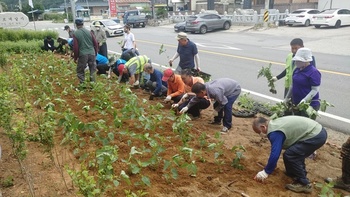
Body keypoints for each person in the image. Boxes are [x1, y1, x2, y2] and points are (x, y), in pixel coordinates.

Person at [252, 116, 327, 193]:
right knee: (292, 153)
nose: (260, 134)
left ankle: (304, 184)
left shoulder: (275, 132)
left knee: (292, 155)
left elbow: (275, 154)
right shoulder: (274, 124)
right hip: (317, 131)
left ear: (263, 127)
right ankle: (293, 173)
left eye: (259, 132)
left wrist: (266, 172)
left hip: (315, 135)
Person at [284, 48, 321, 119]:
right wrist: (287, 97)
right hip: (296, 104)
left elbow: (315, 90)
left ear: (306, 61)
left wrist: (305, 100)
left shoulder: (314, 72)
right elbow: (292, 85)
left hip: (309, 105)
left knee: (306, 126)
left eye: (299, 61)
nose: (296, 62)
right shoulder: (296, 70)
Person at [73, 18, 99, 85]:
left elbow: (76, 48)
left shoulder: (75, 33)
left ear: (76, 25)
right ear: (83, 24)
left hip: (83, 54)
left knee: (80, 70)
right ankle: (93, 85)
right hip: (92, 53)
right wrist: (95, 52)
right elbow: (95, 43)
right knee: (92, 69)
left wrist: (75, 57)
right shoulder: (89, 32)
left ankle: (83, 84)